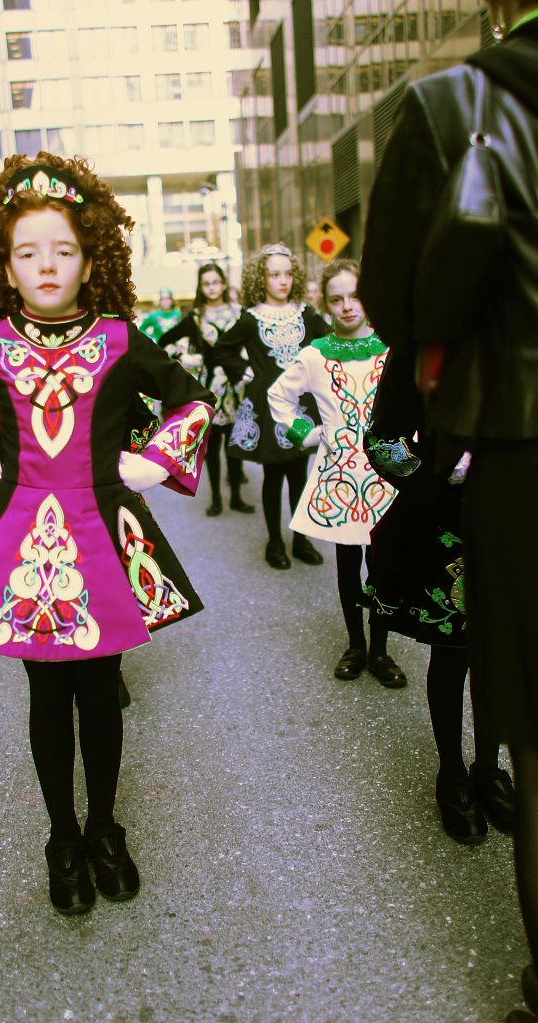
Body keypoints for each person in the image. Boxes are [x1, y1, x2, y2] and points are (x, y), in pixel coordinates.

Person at [0, 154, 215, 916]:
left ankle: (106, 826)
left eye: (64, 250)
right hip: (21, 542)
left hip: (105, 537)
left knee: (102, 698)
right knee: (46, 697)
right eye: (27, 252)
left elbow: (193, 401)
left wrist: (146, 468)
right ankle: (60, 835)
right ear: (4, 268)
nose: (46, 265)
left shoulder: (119, 337)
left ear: (91, 259)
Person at [358, 4, 538, 1018]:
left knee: (524, 719)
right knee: (464, 665)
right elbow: (378, 420)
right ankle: (452, 772)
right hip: (479, 499)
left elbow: (398, 298)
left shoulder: (454, 110)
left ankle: (487, 771)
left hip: (513, 484)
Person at [363, 349, 515, 842]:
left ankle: (490, 769)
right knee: (453, 657)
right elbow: (383, 440)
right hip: (448, 524)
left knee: (501, 658)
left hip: (518, 518)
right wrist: (440, 474)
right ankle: (453, 773)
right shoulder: (418, 348)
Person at [268, 259, 405, 686]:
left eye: (355, 296)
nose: (347, 306)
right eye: (336, 299)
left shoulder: (393, 349)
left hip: (388, 476)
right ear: (324, 304)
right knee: (348, 564)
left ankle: (381, 650)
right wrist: (310, 434)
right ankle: (355, 644)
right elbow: (279, 396)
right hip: (340, 475)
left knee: (383, 565)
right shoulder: (313, 355)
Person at [213, 243, 328, 569]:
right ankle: (275, 542)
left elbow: (329, 341)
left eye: (288, 274)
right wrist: (243, 370)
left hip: (302, 407)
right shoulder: (250, 319)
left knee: (300, 474)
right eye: (274, 274)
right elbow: (223, 349)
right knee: (274, 475)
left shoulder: (306, 314)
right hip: (267, 408)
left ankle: (301, 540)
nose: (283, 281)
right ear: (260, 279)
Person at [159, 262, 253, 516]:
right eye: (206, 283)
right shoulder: (196, 317)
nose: (211, 287)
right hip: (209, 390)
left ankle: (235, 497)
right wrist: (185, 357)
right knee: (211, 448)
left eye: (215, 282)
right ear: (201, 287)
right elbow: (165, 341)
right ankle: (216, 500)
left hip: (238, 390)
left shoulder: (240, 313)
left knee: (234, 445)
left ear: (223, 284)